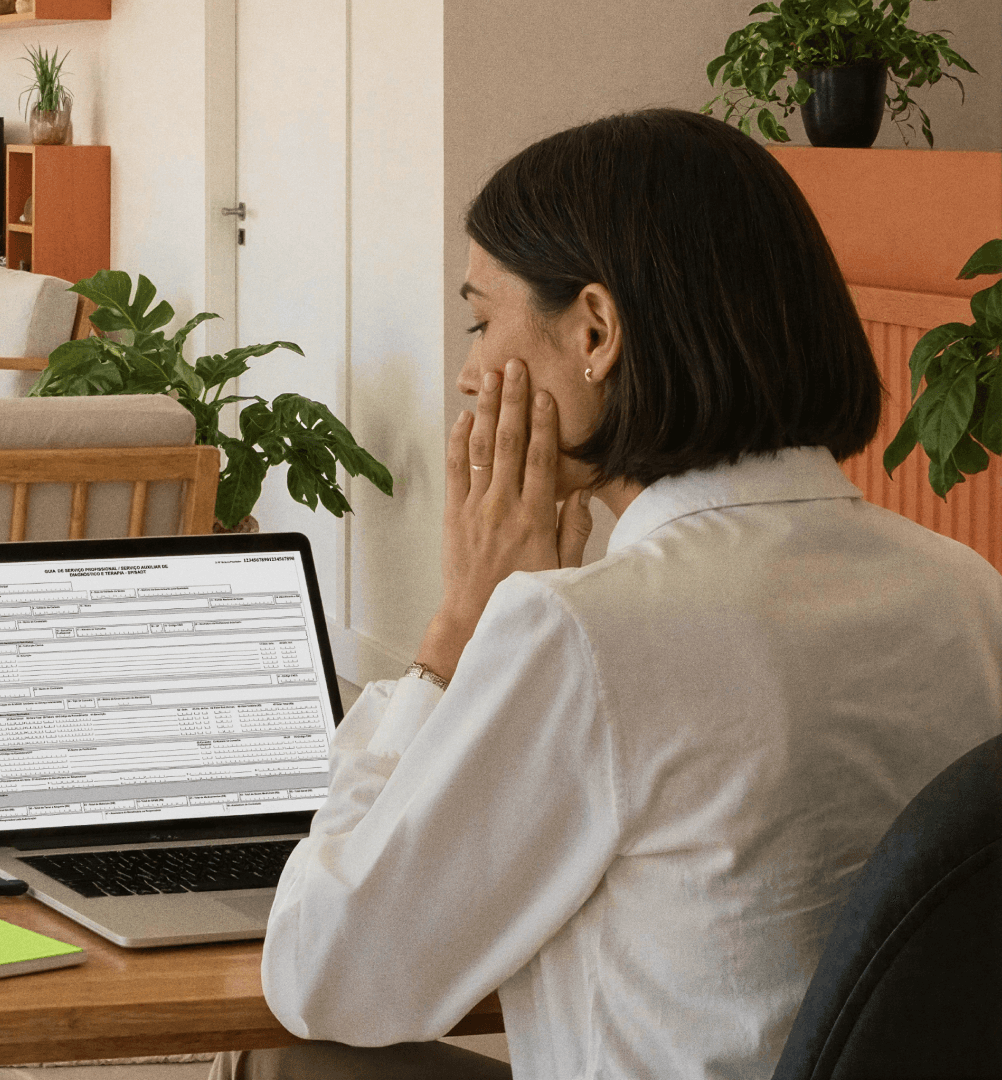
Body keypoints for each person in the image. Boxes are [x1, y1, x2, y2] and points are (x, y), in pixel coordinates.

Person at [214, 108, 1002, 1080]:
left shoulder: (589, 633)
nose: (469, 372)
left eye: (481, 318)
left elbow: (321, 972)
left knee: (284, 1062)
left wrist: (456, 631)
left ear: (595, 330)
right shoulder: (970, 593)